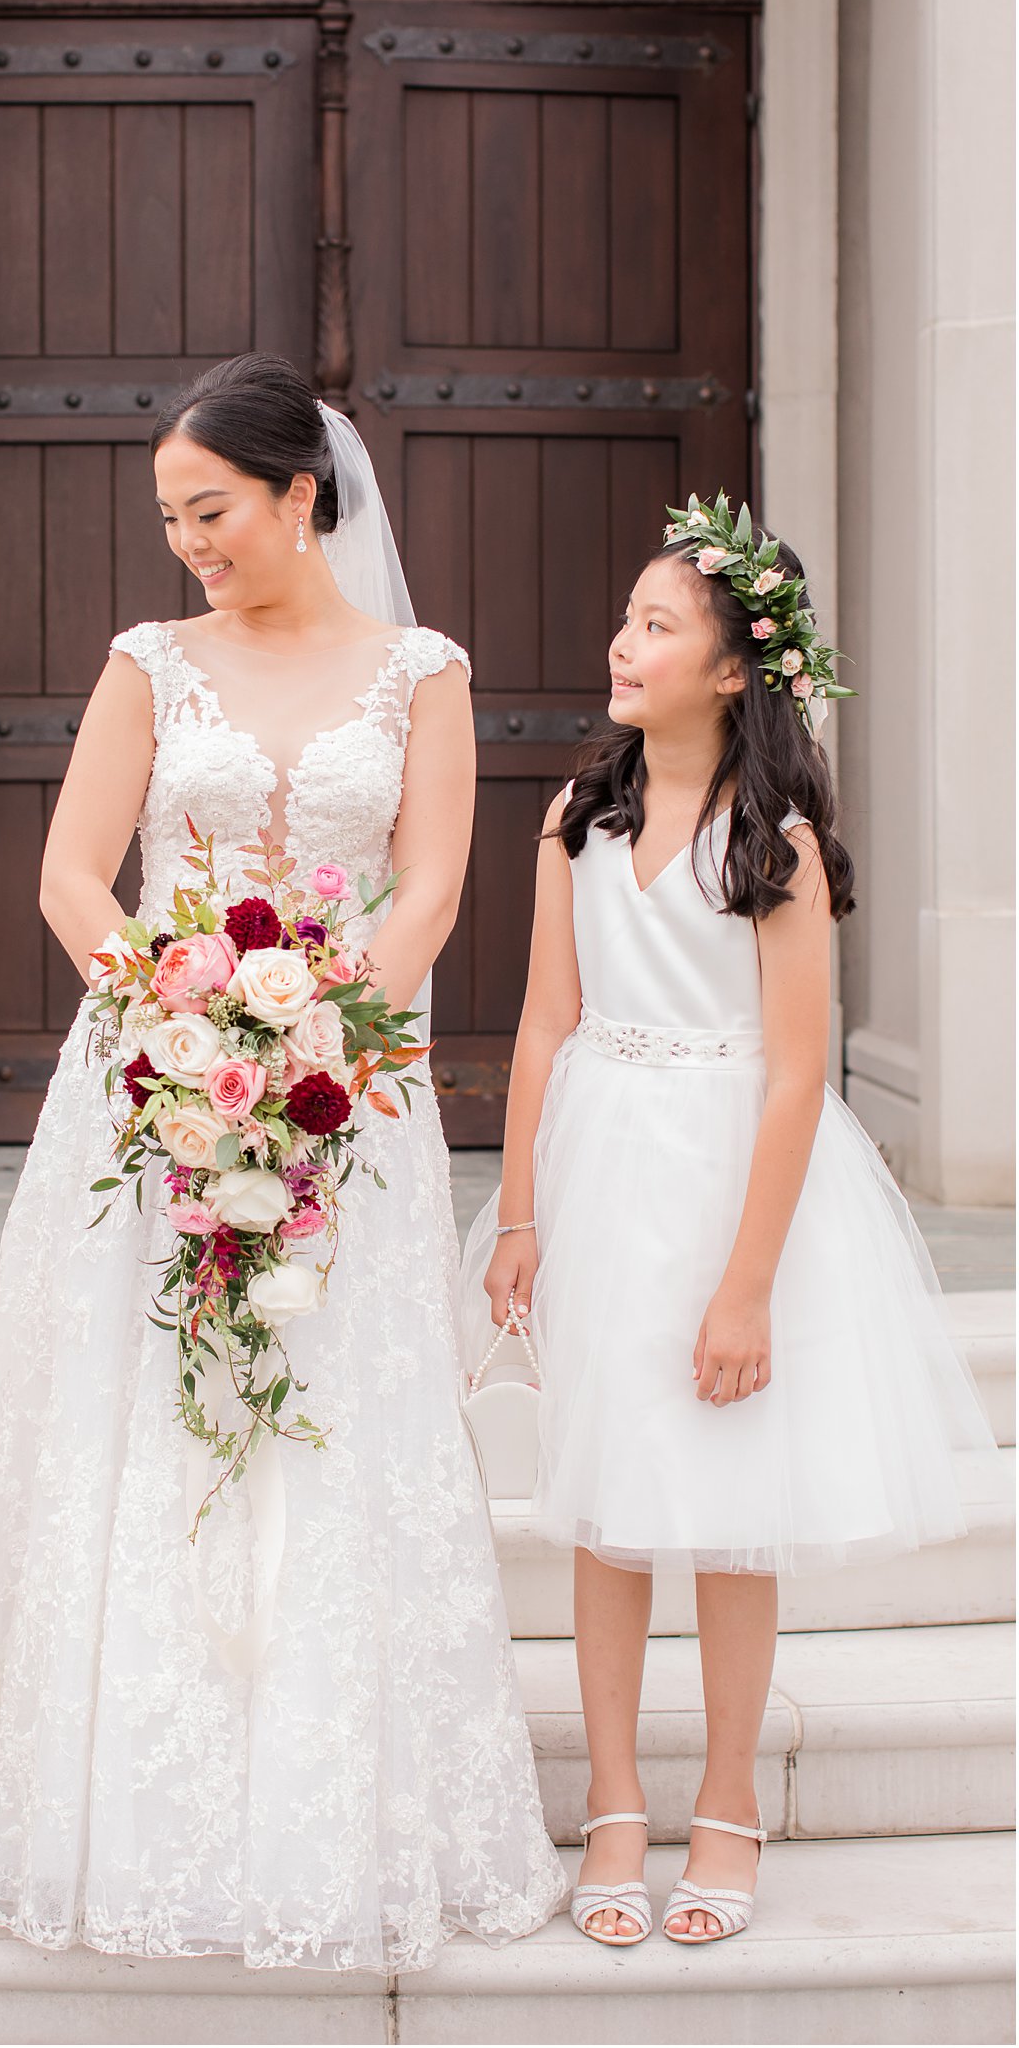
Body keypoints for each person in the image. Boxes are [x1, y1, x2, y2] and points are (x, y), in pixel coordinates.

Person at [0, 352, 567, 1971]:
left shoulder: (421, 671)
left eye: (211, 509)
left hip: (345, 1091)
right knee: (147, 1421)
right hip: (152, 1076)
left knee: (331, 1419)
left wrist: (313, 1045)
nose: (189, 541)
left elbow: (431, 892)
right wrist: (178, 1016)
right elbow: (68, 874)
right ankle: (122, 1807)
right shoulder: (147, 661)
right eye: (171, 516)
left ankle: (332, 1814)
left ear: (300, 495)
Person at [472, 497, 997, 1949]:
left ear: (731, 668)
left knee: (730, 1514)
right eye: (626, 619)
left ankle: (725, 1803)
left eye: (656, 625)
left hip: (731, 1183)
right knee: (603, 1507)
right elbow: (539, 1024)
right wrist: (518, 1212)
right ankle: (620, 1806)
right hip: (600, 1172)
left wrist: (747, 1285)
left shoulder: (780, 847)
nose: (619, 644)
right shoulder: (578, 818)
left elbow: (792, 1073)